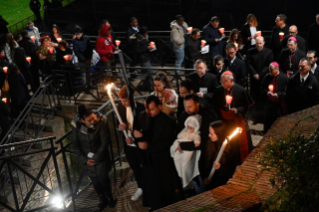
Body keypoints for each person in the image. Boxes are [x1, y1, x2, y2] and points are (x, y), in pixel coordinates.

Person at [133, 96, 183, 211]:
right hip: (147, 160)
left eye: (151, 109)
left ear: (159, 107)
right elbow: (136, 132)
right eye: (147, 109)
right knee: (150, 187)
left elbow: (167, 142)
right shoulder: (141, 116)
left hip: (162, 161)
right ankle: (154, 206)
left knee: (162, 188)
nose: (148, 112)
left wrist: (148, 146)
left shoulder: (169, 122)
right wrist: (135, 137)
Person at [71, 105, 116, 211]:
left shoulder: (100, 124)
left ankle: (110, 197)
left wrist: (96, 158)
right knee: (95, 182)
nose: (93, 121)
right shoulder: (77, 128)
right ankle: (102, 199)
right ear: (82, 120)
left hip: (101, 159)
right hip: (88, 161)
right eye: (89, 120)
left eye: (93, 118)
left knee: (104, 180)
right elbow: (75, 145)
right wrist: (85, 160)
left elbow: (104, 143)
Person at [177, 94, 216, 194]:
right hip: (186, 154)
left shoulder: (206, 117)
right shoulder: (183, 115)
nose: (187, 109)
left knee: (201, 183)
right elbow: (179, 133)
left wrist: (182, 145)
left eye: (190, 106)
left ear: (197, 104)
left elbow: (204, 141)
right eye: (185, 106)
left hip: (201, 156)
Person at [212, 71, 254, 164]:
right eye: (222, 82)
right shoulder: (218, 90)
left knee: (237, 143)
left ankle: (238, 160)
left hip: (236, 121)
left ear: (232, 80)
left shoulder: (241, 90)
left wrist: (237, 110)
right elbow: (214, 106)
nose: (223, 84)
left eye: (225, 81)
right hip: (223, 121)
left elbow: (247, 106)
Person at [117, 86, 145, 201]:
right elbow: (116, 123)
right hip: (128, 146)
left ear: (131, 98)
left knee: (145, 166)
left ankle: (148, 186)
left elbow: (144, 128)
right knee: (135, 167)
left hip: (139, 145)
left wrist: (134, 138)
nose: (123, 103)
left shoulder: (141, 108)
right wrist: (120, 127)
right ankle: (141, 187)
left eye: (125, 101)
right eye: (122, 101)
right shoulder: (120, 107)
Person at [203, 121, 238, 190]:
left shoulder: (231, 150)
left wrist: (220, 167)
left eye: (211, 134)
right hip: (208, 183)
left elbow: (230, 173)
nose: (209, 135)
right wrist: (204, 177)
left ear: (219, 135)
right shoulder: (210, 143)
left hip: (221, 186)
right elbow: (202, 161)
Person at [247, 36, 273, 123]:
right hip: (254, 79)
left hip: (264, 78)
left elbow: (268, 65)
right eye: (257, 43)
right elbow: (249, 64)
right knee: (254, 98)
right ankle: (254, 116)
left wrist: (260, 75)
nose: (258, 45)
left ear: (264, 43)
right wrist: (255, 74)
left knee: (263, 97)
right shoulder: (250, 52)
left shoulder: (269, 52)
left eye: (260, 43)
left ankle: (262, 117)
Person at [170, 114, 202, 188]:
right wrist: (179, 142)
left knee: (185, 164)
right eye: (188, 127)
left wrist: (197, 142)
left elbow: (197, 138)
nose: (189, 129)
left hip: (188, 149)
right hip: (180, 145)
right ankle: (180, 174)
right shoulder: (185, 130)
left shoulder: (195, 133)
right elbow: (179, 136)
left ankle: (186, 179)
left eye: (191, 128)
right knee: (177, 159)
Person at [261, 62, 288, 133]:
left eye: (271, 70)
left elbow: (287, 92)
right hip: (269, 102)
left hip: (279, 104)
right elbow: (262, 88)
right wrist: (267, 92)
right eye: (269, 70)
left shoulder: (284, 78)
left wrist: (277, 95)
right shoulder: (267, 77)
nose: (270, 72)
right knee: (267, 120)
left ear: (277, 69)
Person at [131, 26, 154, 91]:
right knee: (150, 73)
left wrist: (150, 46)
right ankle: (151, 88)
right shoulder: (137, 39)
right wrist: (146, 48)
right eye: (146, 33)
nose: (147, 34)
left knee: (145, 73)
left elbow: (145, 45)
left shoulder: (144, 37)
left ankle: (145, 87)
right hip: (143, 58)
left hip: (146, 57)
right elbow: (137, 50)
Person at [73, 26, 93, 90]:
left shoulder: (87, 38)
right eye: (76, 34)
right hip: (82, 60)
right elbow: (76, 52)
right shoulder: (75, 41)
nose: (77, 35)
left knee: (89, 72)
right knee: (83, 74)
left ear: (82, 33)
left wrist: (89, 58)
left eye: (78, 34)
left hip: (88, 58)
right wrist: (84, 59)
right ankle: (85, 87)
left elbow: (90, 49)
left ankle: (90, 85)